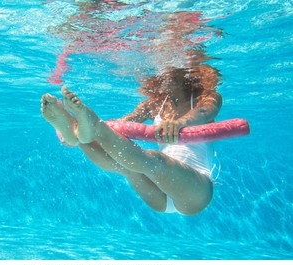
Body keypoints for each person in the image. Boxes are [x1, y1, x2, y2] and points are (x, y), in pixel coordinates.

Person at [41, 64, 222, 216]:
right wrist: (88, 131)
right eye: (163, 73)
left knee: (154, 159)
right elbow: (123, 124)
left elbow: (205, 112)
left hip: (195, 191)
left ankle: (87, 126)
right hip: (159, 195)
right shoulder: (153, 104)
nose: (167, 76)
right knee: (127, 167)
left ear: (187, 74)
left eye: (172, 73)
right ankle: (76, 133)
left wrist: (181, 122)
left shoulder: (205, 97)